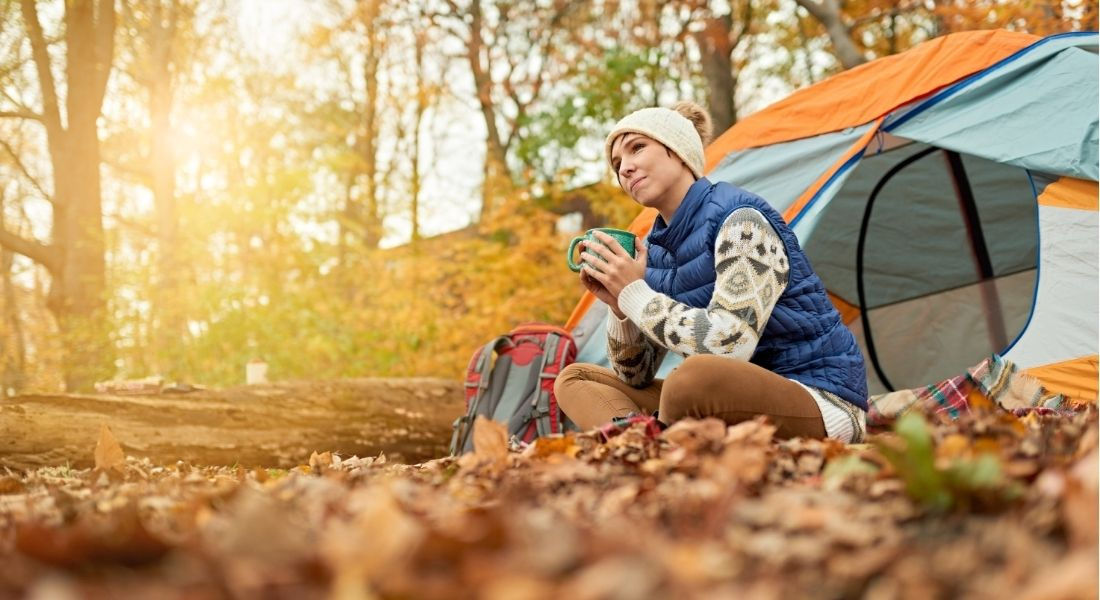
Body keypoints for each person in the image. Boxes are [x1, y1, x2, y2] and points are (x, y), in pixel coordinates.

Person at [554, 101, 868, 442]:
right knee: (576, 379)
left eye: (637, 148)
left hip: (817, 398)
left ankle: (658, 451)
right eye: (617, 164)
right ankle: (647, 450)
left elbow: (730, 346)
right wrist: (619, 306)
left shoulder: (742, 222)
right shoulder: (656, 250)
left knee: (691, 379)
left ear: (678, 151)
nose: (625, 168)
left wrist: (634, 293)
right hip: (724, 401)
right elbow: (637, 376)